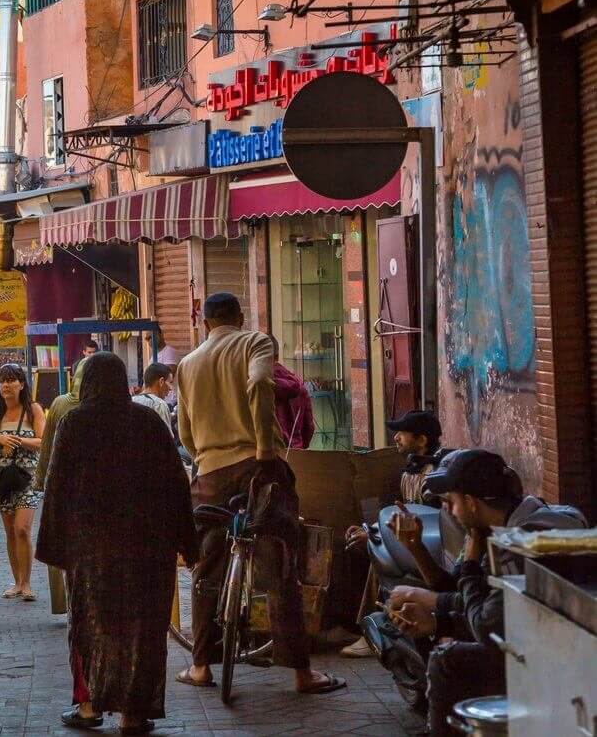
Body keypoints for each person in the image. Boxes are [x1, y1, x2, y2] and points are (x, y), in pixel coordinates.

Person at [174, 292, 344, 694]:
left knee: (205, 570)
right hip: (257, 466)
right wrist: (266, 450)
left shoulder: (187, 364)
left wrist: (203, 455)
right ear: (240, 316)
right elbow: (260, 382)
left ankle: (200, 665)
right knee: (278, 568)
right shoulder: (256, 342)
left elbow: (184, 430)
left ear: (205, 323)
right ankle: (302, 673)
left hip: (210, 474)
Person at [38, 352, 197, 735]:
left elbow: (56, 487)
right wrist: (188, 543)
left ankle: (90, 707)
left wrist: (54, 548)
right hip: (148, 547)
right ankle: (133, 714)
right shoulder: (148, 422)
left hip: (92, 549)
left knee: (92, 625)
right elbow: (176, 483)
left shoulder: (74, 424)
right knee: (144, 630)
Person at [386, 450, 585, 736]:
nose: (449, 512)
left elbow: (486, 625)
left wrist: (442, 597)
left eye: (451, 503)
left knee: (447, 660)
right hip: (541, 645)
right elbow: (477, 599)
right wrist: (416, 549)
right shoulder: (501, 529)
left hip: (561, 665)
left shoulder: (521, 543)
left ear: (470, 503)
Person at [342, 408, 447, 658]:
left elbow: (432, 527)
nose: (396, 438)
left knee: (379, 555)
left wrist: (376, 539)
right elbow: (397, 515)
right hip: (408, 541)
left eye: (402, 433)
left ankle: (374, 630)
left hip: (427, 549)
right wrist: (371, 531)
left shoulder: (433, 475)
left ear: (421, 440)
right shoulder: (408, 473)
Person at [0, 363, 46, 602]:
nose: (6, 385)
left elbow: (43, 441)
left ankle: (27, 583)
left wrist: (17, 439)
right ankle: (17, 581)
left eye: (11, 380)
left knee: (22, 528)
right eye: (2, 381)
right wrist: (0, 439)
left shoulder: (33, 410)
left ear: (21, 384)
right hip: (4, 480)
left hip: (29, 478)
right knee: (10, 531)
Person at [36, 358, 86, 491]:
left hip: (65, 480)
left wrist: (40, 480)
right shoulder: (118, 409)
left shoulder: (61, 403)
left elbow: (47, 444)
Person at [269, 336, 315, 449]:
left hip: (267, 454)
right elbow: (309, 426)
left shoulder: (257, 386)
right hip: (296, 453)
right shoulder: (299, 385)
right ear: (277, 356)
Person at [132, 363, 174, 436]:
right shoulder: (159, 404)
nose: (171, 388)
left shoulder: (132, 401)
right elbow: (166, 440)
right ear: (161, 381)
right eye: (170, 382)